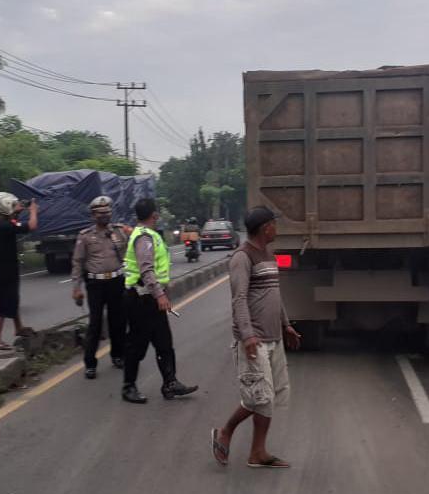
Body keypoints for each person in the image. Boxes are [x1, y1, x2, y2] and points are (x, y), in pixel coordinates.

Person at [211, 206, 301, 469]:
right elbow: (239, 299)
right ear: (265, 228)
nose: (277, 228)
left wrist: (286, 325)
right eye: (275, 224)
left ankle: (258, 453)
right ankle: (225, 431)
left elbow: (274, 294)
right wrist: (248, 336)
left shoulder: (268, 255)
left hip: (273, 337)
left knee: (268, 396)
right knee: (257, 396)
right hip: (254, 340)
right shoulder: (242, 257)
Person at [121, 198, 198, 403]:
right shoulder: (145, 238)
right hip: (141, 299)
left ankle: (170, 383)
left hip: (148, 299)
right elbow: (146, 270)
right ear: (154, 215)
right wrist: (160, 295)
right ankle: (128, 387)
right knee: (137, 346)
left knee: (164, 343)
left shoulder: (145, 235)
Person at [72, 196, 130, 379]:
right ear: (93, 215)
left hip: (116, 281)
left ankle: (118, 355)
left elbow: (130, 250)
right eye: (101, 213)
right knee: (95, 324)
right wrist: (76, 287)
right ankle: (90, 364)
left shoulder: (119, 232)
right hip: (95, 284)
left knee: (118, 322)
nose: (105, 216)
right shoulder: (85, 236)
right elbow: (78, 262)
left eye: (107, 212)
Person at [0, 192, 38, 351]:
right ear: (4, 206)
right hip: (5, 272)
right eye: (12, 205)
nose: (15, 208)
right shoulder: (5, 226)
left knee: (13, 299)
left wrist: (18, 211)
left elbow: (12, 223)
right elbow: (31, 226)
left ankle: (18, 327)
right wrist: (33, 211)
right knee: (4, 305)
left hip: (0, 270)